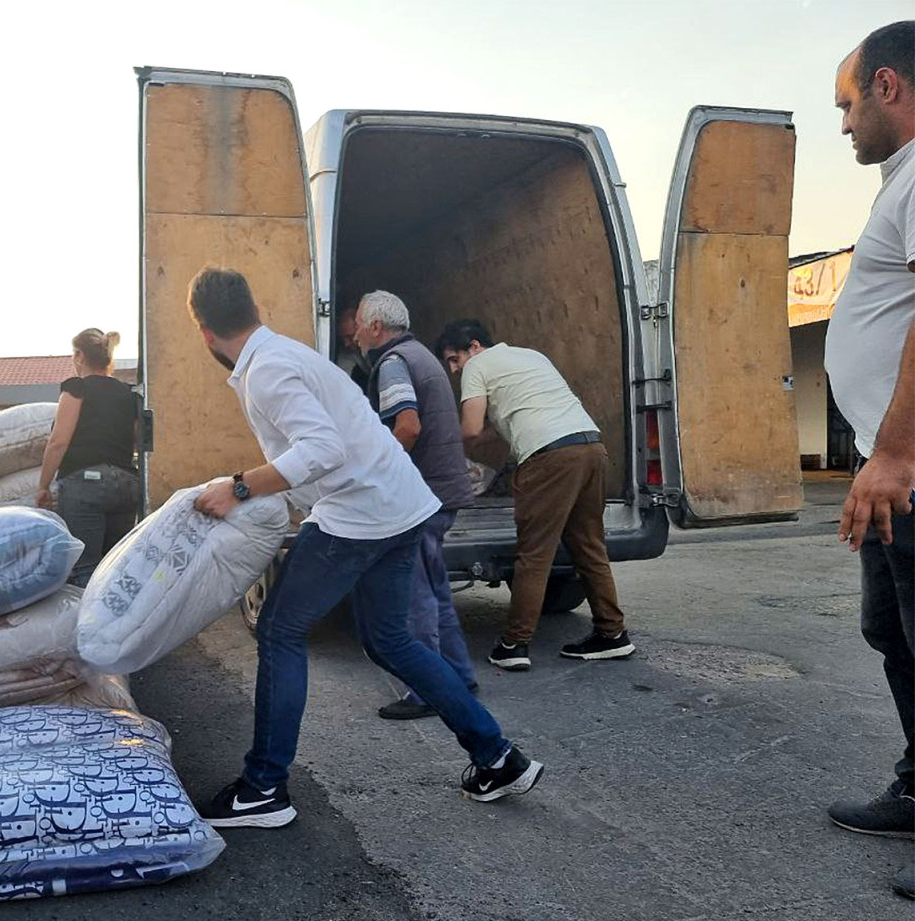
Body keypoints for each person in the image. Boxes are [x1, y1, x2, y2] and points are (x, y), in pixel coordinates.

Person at [186, 267, 542, 829]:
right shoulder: (287, 354)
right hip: (397, 507)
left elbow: (321, 449)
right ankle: (496, 756)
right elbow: (330, 445)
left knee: (279, 630)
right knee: (392, 641)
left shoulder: (267, 371)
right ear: (253, 309)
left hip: (361, 515)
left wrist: (237, 487)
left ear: (204, 332)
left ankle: (262, 789)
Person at [823, 20, 915, 901]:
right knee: (890, 630)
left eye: (848, 104)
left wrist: (892, 453)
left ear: (888, 86)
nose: (844, 123)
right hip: (889, 467)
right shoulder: (899, 183)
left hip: (908, 465)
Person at [435, 319, 634, 671]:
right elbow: (520, 414)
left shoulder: (477, 366)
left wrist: (437, 445)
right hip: (590, 446)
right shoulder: (531, 356)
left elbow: (470, 428)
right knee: (589, 546)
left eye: (454, 359)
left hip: (549, 459)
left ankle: (514, 643)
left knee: (534, 554)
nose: (453, 369)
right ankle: (612, 633)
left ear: (474, 346)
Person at [353, 290, 478, 720]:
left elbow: (406, 425)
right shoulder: (420, 354)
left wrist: (376, 473)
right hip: (443, 491)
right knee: (436, 587)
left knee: (416, 596)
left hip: (422, 495)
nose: (353, 335)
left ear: (374, 326)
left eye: (356, 324)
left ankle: (426, 691)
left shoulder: (392, 364)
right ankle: (459, 675)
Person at [37, 328, 140, 587]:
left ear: (80, 356)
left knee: (85, 571)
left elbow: (59, 441)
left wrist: (43, 486)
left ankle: (89, 626)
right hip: (126, 485)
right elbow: (138, 442)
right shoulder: (128, 394)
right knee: (115, 567)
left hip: (85, 485)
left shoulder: (76, 388)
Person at [335, 304, 371, 394]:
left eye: (350, 337)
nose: (346, 344)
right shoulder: (348, 352)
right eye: (342, 338)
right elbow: (342, 381)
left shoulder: (382, 347)